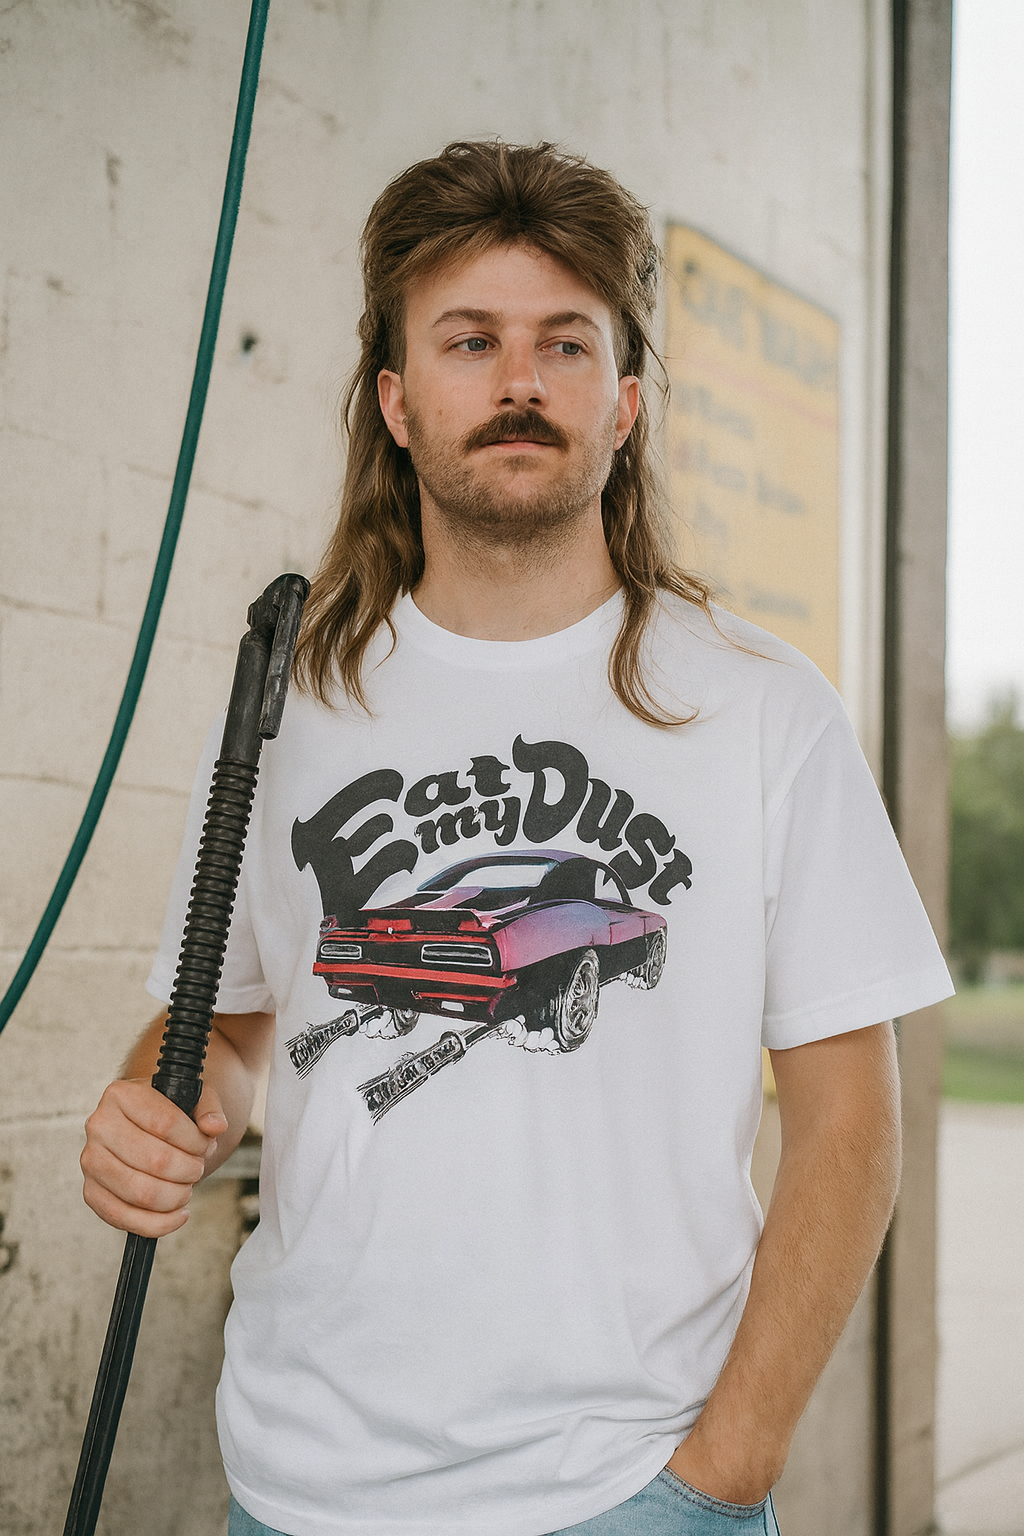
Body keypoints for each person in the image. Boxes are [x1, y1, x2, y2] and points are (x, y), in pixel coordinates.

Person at [82, 141, 953, 1536]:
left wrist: (719, 1474)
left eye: (564, 343)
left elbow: (852, 1123)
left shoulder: (758, 706)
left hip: (627, 1490)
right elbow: (240, 1033)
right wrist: (161, 1112)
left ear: (622, 403)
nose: (519, 383)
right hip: (299, 1481)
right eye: (470, 341)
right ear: (398, 400)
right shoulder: (290, 702)